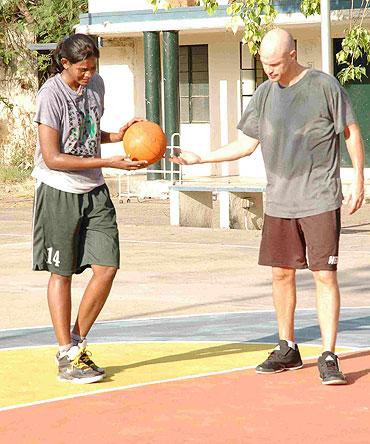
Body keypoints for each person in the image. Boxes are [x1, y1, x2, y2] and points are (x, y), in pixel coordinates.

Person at [170, 28, 365, 385]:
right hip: (278, 200)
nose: (269, 69)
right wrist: (202, 160)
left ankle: (328, 355)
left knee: (324, 275)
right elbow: (246, 144)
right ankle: (287, 347)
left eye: (274, 62)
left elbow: (350, 131)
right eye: (263, 62)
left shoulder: (324, 86)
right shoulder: (263, 95)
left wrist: (358, 182)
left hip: (319, 198)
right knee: (280, 274)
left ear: (292, 54)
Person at [32, 33, 147, 383]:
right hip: (59, 190)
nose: (88, 75)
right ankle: (66, 351)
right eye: (82, 69)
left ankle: (77, 343)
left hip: (94, 189)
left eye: (93, 68)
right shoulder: (49, 95)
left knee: (107, 266)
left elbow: (85, 133)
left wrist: (118, 136)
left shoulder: (96, 84)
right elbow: (53, 157)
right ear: (64, 64)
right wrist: (109, 162)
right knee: (62, 272)